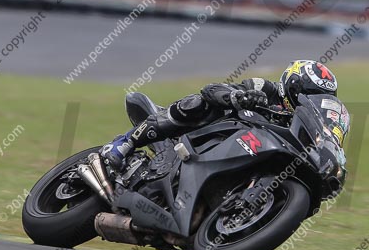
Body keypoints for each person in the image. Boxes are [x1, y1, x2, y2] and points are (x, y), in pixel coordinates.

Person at [101, 60, 339, 170]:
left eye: (315, 98)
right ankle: (125, 143)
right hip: (205, 135)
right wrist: (239, 97)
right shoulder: (266, 88)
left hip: (245, 155)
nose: (308, 101)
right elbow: (214, 89)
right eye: (306, 94)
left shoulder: (300, 127)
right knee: (201, 102)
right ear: (293, 86)